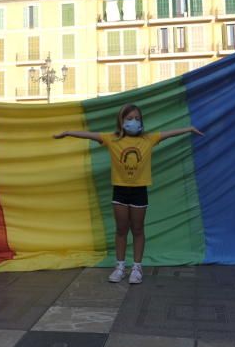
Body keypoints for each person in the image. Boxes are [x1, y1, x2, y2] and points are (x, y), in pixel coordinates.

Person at [54, 104, 202, 284]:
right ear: (122, 122)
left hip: (139, 192)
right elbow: (90, 135)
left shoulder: (149, 139)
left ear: (141, 122)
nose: (134, 122)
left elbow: (169, 133)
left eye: (137, 119)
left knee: (138, 229)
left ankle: (137, 268)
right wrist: (68, 132)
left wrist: (189, 128)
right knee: (121, 229)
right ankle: (120, 267)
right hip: (120, 191)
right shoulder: (112, 139)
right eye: (129, 119)